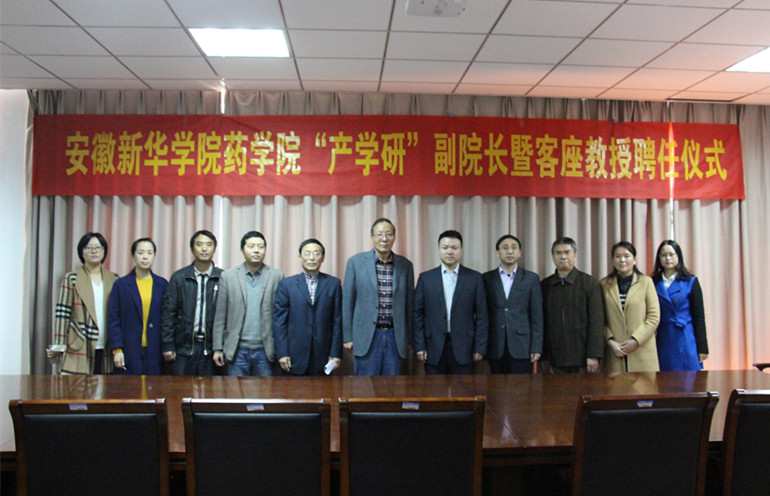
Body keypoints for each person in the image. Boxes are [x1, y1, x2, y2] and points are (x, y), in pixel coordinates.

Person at [342, 218, 415, 375]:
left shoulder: (406, 266)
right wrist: (347, 336)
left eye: (389, 234)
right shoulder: (356, 263)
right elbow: (347, 302)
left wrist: (409, 338)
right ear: (372, 237)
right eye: (379, 234)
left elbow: (410, 305)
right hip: (367, 336)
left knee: (393, 386)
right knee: (364, 386)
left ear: (394, 237)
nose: (384, 239)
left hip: (395, 337)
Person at [415, 230, 488, 375]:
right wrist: (420, 345)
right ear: (439, 250)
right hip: (433, 347)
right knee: (434, 388)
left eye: (454, 248)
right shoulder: (426, 278)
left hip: (465, 347)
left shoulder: (474, 278)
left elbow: (482, 316)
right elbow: (417, 315)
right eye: (445, 247)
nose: (449, 252)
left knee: (464, 388)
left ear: (461, 250)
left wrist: (480, 347)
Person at [212, 231, 283, 376]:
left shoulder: (277, 276)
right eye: (251, 246)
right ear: (242, 250)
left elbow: (281, 316)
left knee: (266, 390)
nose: (256, 250)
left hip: (266, 350)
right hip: (236, 350)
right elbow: (220, 315)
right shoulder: (228, 277)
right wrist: (217, 348)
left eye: (260, 247)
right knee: (234, 390)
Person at [48, 233, 119, 374]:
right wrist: (59, 345)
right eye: (89, 248)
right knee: (78, 386)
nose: (94, 251)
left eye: (98, 247)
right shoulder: (72, 279)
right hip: (79, 344)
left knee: (105, 386)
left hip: (107, 345)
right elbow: (62, 313)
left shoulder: (114, 279)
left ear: (104, 251)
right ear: (82, 252)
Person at [273, 239, 342, 376]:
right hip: (293, 356)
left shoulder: (333, 284)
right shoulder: (287, 284)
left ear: (323, 258)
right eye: (307, 253)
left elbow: (337, 321)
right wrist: (282, 353)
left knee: (323, 389)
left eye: (316, 254)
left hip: (323, 355)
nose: (311, 258)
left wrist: (335, 354)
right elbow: (279, 322)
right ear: (300, 257)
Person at [160, 230, 223, 376]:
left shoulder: (223, 278)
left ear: (214, 249)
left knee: (211, 389)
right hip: (184, 348)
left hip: (211, 349)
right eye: (199, 244)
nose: (204, 249)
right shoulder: (179, 277)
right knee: (181, 388)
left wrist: (220, 347)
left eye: (209, 245)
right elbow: (168, 314)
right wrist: (168, 345)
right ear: (192, 249)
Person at [541, 237, 604, 373]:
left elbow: (597, 322)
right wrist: (544, 355)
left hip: (583, 358)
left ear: (575, 255)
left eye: (567, 252)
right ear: (552, 256)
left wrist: (593, 354)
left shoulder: (589, 283)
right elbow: (542, 322)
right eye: (558, 253)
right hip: (556, 357)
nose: (563, 256)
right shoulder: (545, 285)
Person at [482, 234, 542, 374]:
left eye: (514, 248)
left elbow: (537, 316)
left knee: (521, 386)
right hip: (495, 345)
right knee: (496, 386)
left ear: (519, 253)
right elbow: (482, 314)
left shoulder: (531, 279)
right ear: (497, 253)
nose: (510, 251)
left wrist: (536, 347)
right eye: (505, 248)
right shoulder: (486, 278)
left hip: (522, 346)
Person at [108, 238, 168, 375]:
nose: (145, 257)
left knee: (154, 387)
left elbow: (168, 318)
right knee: (130, 387)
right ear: (133, 255)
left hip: (155, 349)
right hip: (128, 348)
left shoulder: (162, 285)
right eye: (140, 253)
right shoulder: (121, 285)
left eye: (149, 253)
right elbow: (113, 319)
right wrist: (117, 349)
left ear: (154, 256)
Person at [600, 241, 660, 372]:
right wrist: (610, 341)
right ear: (613, 260)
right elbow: (599, 319)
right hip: (615, 351)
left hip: (642, 350)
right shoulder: (604, 284)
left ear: (634, 260)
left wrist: (636, 340)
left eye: (627, 256)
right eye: (618, 256)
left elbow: (653, 317)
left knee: (645, 385)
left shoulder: (646, 282)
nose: (622, 260)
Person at [652, 240, 708, 371]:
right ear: (659, 258)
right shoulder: (652, 282)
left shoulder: (690, 281)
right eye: (663, 255)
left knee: (689, 378)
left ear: (679, 256)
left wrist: (702, 347)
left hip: (685, 336)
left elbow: (699, 316)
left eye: (671, 254)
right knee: (664, 378)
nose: (668, 258)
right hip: (663, 336)